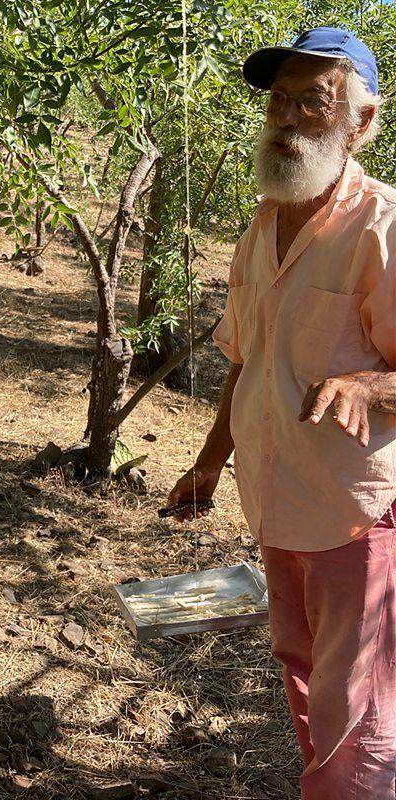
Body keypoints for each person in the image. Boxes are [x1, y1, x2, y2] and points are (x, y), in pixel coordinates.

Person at [166, 27, 396, 800]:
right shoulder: (265, 222)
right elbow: (247, 361)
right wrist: (208, 462)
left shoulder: (381, 227)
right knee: (300, 671)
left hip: (353, 516)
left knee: (355, 705)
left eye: (313, 101)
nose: (289, 118)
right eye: (279, 100)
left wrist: (367, 387)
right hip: (276, 503)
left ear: (362, 121)